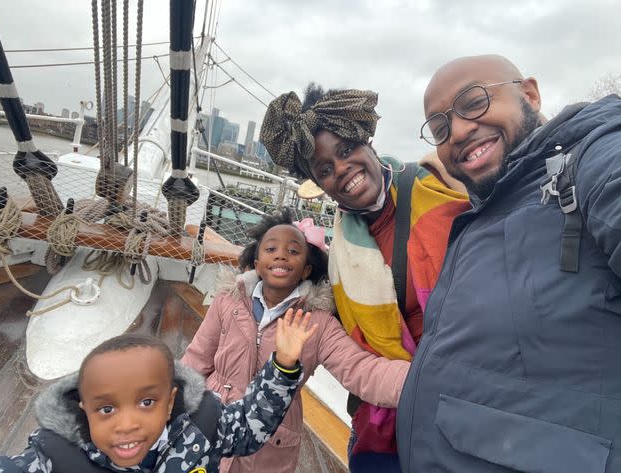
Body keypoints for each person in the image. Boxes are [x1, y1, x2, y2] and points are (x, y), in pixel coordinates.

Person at [396, 54, 621, 473]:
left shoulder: (595, 154)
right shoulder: (488, 210)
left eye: (475, 101)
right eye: (441, 127)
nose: (460, 130)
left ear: (529, 94)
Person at [259, 84, 469, 471]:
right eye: (325, 169)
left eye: (346, 150)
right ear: (318, 184)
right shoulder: (342, 241)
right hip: (387, 409)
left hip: (464, 401)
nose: (342, 170)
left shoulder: (440, 189)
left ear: (366, 141)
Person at [181, 207, 411, 473]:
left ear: (306, 269)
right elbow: (196, 359)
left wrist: (421, 382)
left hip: (271, 445)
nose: (281, 254)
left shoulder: (318, 323)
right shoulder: (227, 302)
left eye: (293, 251)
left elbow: (360, 369)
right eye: (270, 249)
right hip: (212, 425)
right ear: (256, 263)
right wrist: (173, 405)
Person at [0, 325, 314, 472]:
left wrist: (283, 367)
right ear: (84, 410)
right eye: (107, 408)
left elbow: (248, 426)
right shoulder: (54, 458)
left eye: (146, 402)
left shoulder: (202, 426)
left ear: (171, 402)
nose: (128, 424)